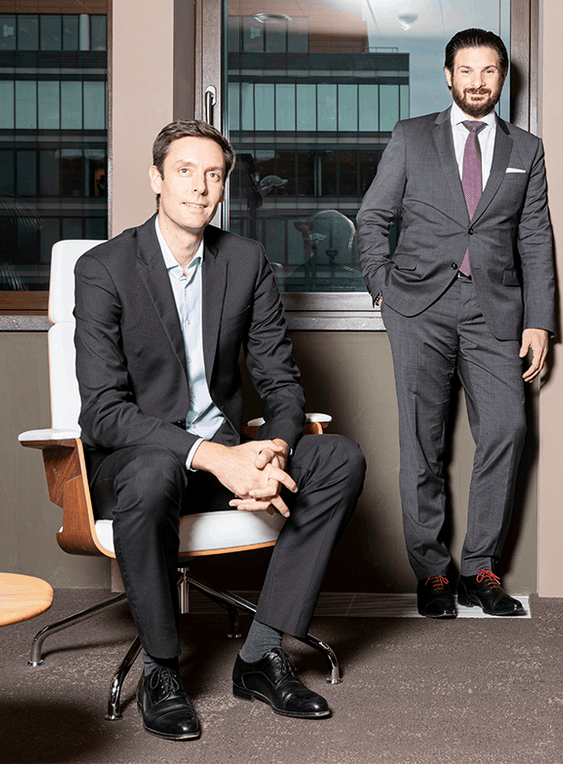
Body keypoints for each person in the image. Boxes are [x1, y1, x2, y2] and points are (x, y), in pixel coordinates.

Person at [74, 120, 365, 740]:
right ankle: (161, 668)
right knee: (154, 470)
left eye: (214, 175)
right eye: (185, 171)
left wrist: (273, 450)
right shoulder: (105, 269)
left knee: (338, 457)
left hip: (230, 458)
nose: (200, 188)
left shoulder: (244, 260)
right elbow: (102, 411)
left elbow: (281, 382)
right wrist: (212, 456)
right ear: (156, 179)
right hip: (139, 466)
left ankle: (260, 655)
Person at [356, 28, 557, 618]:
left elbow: (535, 238)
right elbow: (373, 217)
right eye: (466, 70)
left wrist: (539, 320)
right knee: (423, 440)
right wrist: (382, 287)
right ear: (448, 76)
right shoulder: (412, 136)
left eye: (489, 71)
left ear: (503, 79)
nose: (477, 81)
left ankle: (481, 568)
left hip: (496, 309)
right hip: (419, 306)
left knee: (507, 432)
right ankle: (433, 573)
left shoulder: (527, 149)